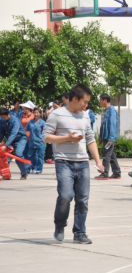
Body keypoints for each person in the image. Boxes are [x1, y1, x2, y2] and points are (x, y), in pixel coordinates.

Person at [42, 84, 104, 244]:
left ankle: (79, 232)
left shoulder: (85, 116)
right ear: (75, 98)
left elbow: (90, 138)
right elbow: (46, 137)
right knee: (65, 196)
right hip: (64, 162)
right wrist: (67, 137)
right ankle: (60, 225)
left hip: (82, 162)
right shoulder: (57, 114)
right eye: (85, 101)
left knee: (83, 199)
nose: (86, 105)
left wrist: (98, 160)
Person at [96, 94, 121, 180]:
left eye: (100, 100)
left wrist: (111, 138)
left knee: (106, 155)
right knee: (111, 155)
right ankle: (117, 172)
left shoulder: (112, 111)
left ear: (105, 100)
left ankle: (105, 173)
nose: (99, 102)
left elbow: (113, 125)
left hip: (109, 137)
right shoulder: (105, 111)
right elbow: (102, 124)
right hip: (105, 136)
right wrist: (100, 136)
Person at [0, 108, 28, 179]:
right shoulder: (2, 121)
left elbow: (13, 134)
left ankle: (24, 173)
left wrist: (6, 145)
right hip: (10, 140)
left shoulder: (15, 121)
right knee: (5, 156)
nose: (3, 118)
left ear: (8, 114)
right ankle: (6, 175)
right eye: (1, 117)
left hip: (20, 139)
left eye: (4, 117)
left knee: (18, 154)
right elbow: (1, 132)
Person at [25, 107, 47, 174]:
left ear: (40, 114)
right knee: (30, 156)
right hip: (32, 142)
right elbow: (26, 129)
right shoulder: (30, 122)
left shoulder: (43, 123)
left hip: (41, 142)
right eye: (35, 112)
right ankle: (28, 169)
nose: (36, 114)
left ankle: (38, 169)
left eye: (37, 113)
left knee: (40, 157)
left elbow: (46, 132)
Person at [45, 100, 60, 164]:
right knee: (54, 151)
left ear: (60, 105)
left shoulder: (62, 112)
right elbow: (48, 116)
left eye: (55, 106)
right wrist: (52, 109)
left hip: (60, 134)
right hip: (53, 134)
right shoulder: (52, 112)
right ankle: (57, 168)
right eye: (53, 106)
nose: (54, 108)